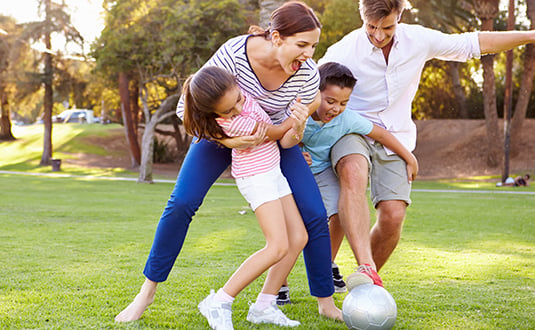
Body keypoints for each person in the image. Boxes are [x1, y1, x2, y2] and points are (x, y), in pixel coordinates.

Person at [115, 1, 343, 323]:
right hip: (218, 135)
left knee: (314, 214)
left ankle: (321, 301)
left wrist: (301, 120)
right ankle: (147, 292)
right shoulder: (235, 53)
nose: (309, 54)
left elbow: (297, 122)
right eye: (302, 45)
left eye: (313, 46)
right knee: (182, 202)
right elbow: (187, 109)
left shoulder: (304, 73)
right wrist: (227, 141)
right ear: (276, 38)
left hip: (272, 139)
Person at [317, 0, 535, 291]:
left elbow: (474, 42)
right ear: (361, 16)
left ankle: (363, 286)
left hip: (397, 137)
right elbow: (308, 89)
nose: (379, 35)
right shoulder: (343, 51)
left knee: (393, 216)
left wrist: (531, 35)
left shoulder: (417, 39)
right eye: (371, 27)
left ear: (400, 16)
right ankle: (357, 268)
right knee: (352, 173)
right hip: (352, 131)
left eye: (388, 27)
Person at [182, 66, 307, 329]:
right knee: (277, 246)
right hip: (256, 178)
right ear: (215, 114)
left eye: (238, 99)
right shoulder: (234, 122)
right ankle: (220, 300)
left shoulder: (241, 93)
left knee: (299, 238)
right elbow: (274, 132)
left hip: (273, 172)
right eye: (227, 111)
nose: (238, 109)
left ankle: (264, 305)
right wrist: (297, 116)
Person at [300, 62, 417, 292]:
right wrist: (295, 153)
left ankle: (326, 268)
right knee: (293, 231)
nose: (336, 109)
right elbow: (280, 138)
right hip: (298, 174)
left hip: (322, 173)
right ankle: (279, 286)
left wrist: (409, 157)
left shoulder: (347, 119)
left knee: (339, 212)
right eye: (330, 101)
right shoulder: (300, 113)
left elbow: (380, 134)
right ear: (315, 93)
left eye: (343, 103)